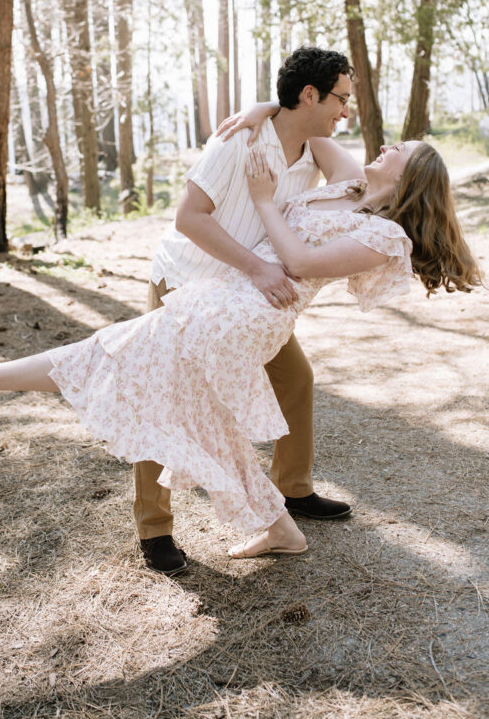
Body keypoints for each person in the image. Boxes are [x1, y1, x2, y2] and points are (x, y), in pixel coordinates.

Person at [0, 136, 481, 563]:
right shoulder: (349, 183)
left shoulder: (385, 236)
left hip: (249, 318)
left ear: (414, 175)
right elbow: (313, 132)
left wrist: (263, 201)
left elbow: (303, 265)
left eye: (400, 148)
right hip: (221, 296)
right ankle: (278, 527)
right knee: (170, 395)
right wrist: (260, 111)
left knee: (126, 359)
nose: (387, 144)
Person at [137, 45, 354, 575]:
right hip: (185, 282)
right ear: (310, 94)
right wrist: (259, 270)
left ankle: (294, 490)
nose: (346, 111)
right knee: (167, 399)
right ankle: (154, 529)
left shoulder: (315, 149)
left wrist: (269, 105)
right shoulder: (239, 140)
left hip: (240, 295)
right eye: (341, 99)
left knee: (295, 378)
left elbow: (360, 183)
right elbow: (190, 217)